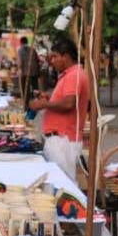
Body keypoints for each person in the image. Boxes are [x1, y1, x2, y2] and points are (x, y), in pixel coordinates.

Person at [29, 39, 89, 181]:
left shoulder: (74, 75)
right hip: (61, 139)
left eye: (55, 57)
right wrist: (49, 98)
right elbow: (67, 99)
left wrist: (44, 104)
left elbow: (69, 104)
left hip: (63, 141)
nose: (52, 61)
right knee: (59, 184)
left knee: (63, 185)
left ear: (66, 56)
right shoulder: (70, 74)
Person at [17, 36, 40, 108]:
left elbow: (20, 62)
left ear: (21, 42)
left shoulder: (20, 50)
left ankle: (26, 104)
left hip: (25, 73)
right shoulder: (33, 49)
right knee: (35, 87)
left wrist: (19, 69)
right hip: (34, 72)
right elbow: (37, 60)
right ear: (27, 41)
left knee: (25, 89)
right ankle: (37, 102)